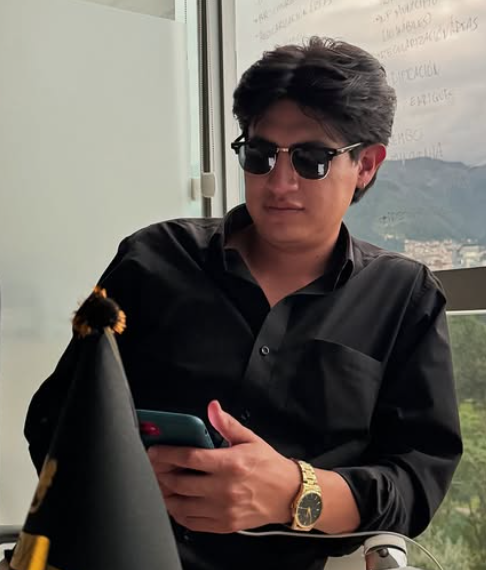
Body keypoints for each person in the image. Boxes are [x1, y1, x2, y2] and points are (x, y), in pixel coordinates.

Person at [24, 36, 462, 570]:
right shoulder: (152, 261)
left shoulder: (403, 296)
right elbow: (52, 416)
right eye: (259, 155)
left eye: (312, 160)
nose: (279, 182)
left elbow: (416, 480)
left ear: (366, 165)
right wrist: (125, 474)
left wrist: (296, 492)